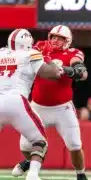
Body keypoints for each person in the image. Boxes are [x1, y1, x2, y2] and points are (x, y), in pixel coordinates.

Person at [12, 25, 89, 180]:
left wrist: (69, 70)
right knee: (25, 146)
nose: (55, 40)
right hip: (38, 106)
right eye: (53, 37)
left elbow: (83, 73)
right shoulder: (40, 46)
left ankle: (80, 174)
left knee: (75, 145)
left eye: (60, 38)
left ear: (67, 41)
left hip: (63, 108)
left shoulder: (73, 53)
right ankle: (29, 161)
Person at [1, 29, 63, 180]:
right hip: (17, 101)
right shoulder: (31, 53)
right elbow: (51, 74)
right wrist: (49, 59)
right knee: (39, 141)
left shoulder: (1, 52)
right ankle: (33, 174)